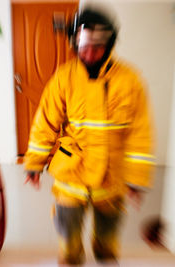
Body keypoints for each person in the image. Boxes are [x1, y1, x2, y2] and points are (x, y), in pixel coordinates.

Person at [24, 5, 155, 265]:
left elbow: (140, 133)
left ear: (110, 43)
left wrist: (136, 179)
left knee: (107, 246)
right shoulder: (63, 78)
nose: (90, 51)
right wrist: (33, 164)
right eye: (83, 43)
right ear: (74, 42)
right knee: (69, 244)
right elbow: (45, 123)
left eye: (98, 44)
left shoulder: (130, 80)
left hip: (112, 180)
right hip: (71, 176)